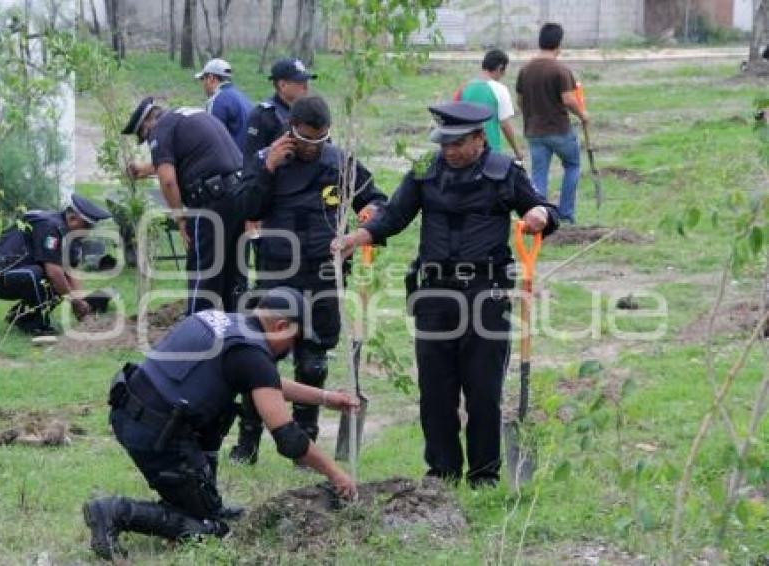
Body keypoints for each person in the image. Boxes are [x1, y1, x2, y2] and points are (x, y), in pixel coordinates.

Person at [332, 102, 559, 488]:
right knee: (435, 388)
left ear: (478, 139)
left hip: (486, 293)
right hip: (435, 293)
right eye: (444, 144)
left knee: (483, 389)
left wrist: (540, 216)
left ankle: (483, 474)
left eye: (456, 144)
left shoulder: (505, 173)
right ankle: (442, 470)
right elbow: (395, 216)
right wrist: (357, 237)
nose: (449, 151)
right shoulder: (425, 170)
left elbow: (543, 208)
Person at [81, 287, 359, 561]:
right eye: (294, 340)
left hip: (132, 412)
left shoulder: (224, 322)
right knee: (211, 531)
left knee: (208, 510)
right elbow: (289, 439)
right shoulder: (251, 354)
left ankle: (196, 506)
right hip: (157, 435)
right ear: (282, 326)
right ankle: (114, 512)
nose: (291, 350)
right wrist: (336, 475)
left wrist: (325, 398)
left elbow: (265, 382)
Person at [229, 95, 386, 464]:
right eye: (305, 140)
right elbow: (245, 209)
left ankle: (305, 442)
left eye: (321, 140)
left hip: (322, 270)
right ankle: (247, 442)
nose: (313, 148)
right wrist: (267, 168)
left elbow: (379, 200)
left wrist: (369, 213)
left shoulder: (340, 163)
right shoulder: (265, 160)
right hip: (276, 270)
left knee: (313, 361)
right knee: (257, 357)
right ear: (291, 131)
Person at [123, 97, 246, 315]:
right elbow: (192, 156)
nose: (149, 140)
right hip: (238, 193)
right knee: (233, 270)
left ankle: (198, 334)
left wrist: (180, 218)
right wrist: (145, 169)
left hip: (211, 200)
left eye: (145, 137)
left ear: (146, 124)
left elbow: (168, 180)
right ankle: (236, 329)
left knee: (203, 270)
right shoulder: (188, 115)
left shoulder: (159, 130)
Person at [0, 194, 111, 335]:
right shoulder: (49, 226)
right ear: (72, 218)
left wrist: (80, 302)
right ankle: (35, 324)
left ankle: (21, 316)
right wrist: (75, 303)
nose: (88, 231)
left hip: (26, 272)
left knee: (59, 283)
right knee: (44, 276)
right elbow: (54, 272)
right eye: (87, 225)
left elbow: (71, 271)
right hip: (2, 276)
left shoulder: (72, 236)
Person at [515, 22, 589, 224]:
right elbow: (568, 99)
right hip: (559, 130)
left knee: (539, 174)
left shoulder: (525, 70)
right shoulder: (560, 70)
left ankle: (541, 217)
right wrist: (583, 115)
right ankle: (565, 214)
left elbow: (520, 101)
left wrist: (532, 115)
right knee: (572, 165)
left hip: (534, 131)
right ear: (559, 44)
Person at [243, 58, 315, 164]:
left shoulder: (309, 112)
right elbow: (252, 161)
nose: (306, 87)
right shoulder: (263, 116)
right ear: (282, 85)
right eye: (300, 82)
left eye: (306, 82)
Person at [458, 49, 524, 161]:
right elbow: (504, 124)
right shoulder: (500, 89)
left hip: (465, 149)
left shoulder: (464, 88)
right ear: (500, 68)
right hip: (489, 151)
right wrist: (517, 151)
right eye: (504, 70)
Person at [195, 58, 254, 152]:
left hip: (232, 160)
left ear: (211, 78)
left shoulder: (217, 99)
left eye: (203, 79)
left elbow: (212, 138)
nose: (203, 84)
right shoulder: (242, 97)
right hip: (248, 158)